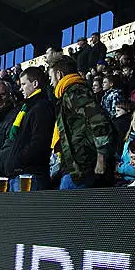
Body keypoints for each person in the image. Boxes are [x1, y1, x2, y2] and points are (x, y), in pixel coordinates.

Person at [47, 55, 115, 189]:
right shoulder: (71, 93)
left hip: (82, 168)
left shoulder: (75, 92)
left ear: (59, 75)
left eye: (51, 78)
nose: (51, 83)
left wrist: (101, 158)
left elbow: (99, 121)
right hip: (75, 167)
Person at [0, 67, 55, 191]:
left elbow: (39, 142)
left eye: (24, 84)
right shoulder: (28, 108)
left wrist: (17, 160)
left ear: (35, 84)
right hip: (20, 174)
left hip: (30, 175)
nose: (21, 88)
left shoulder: (41, 107)